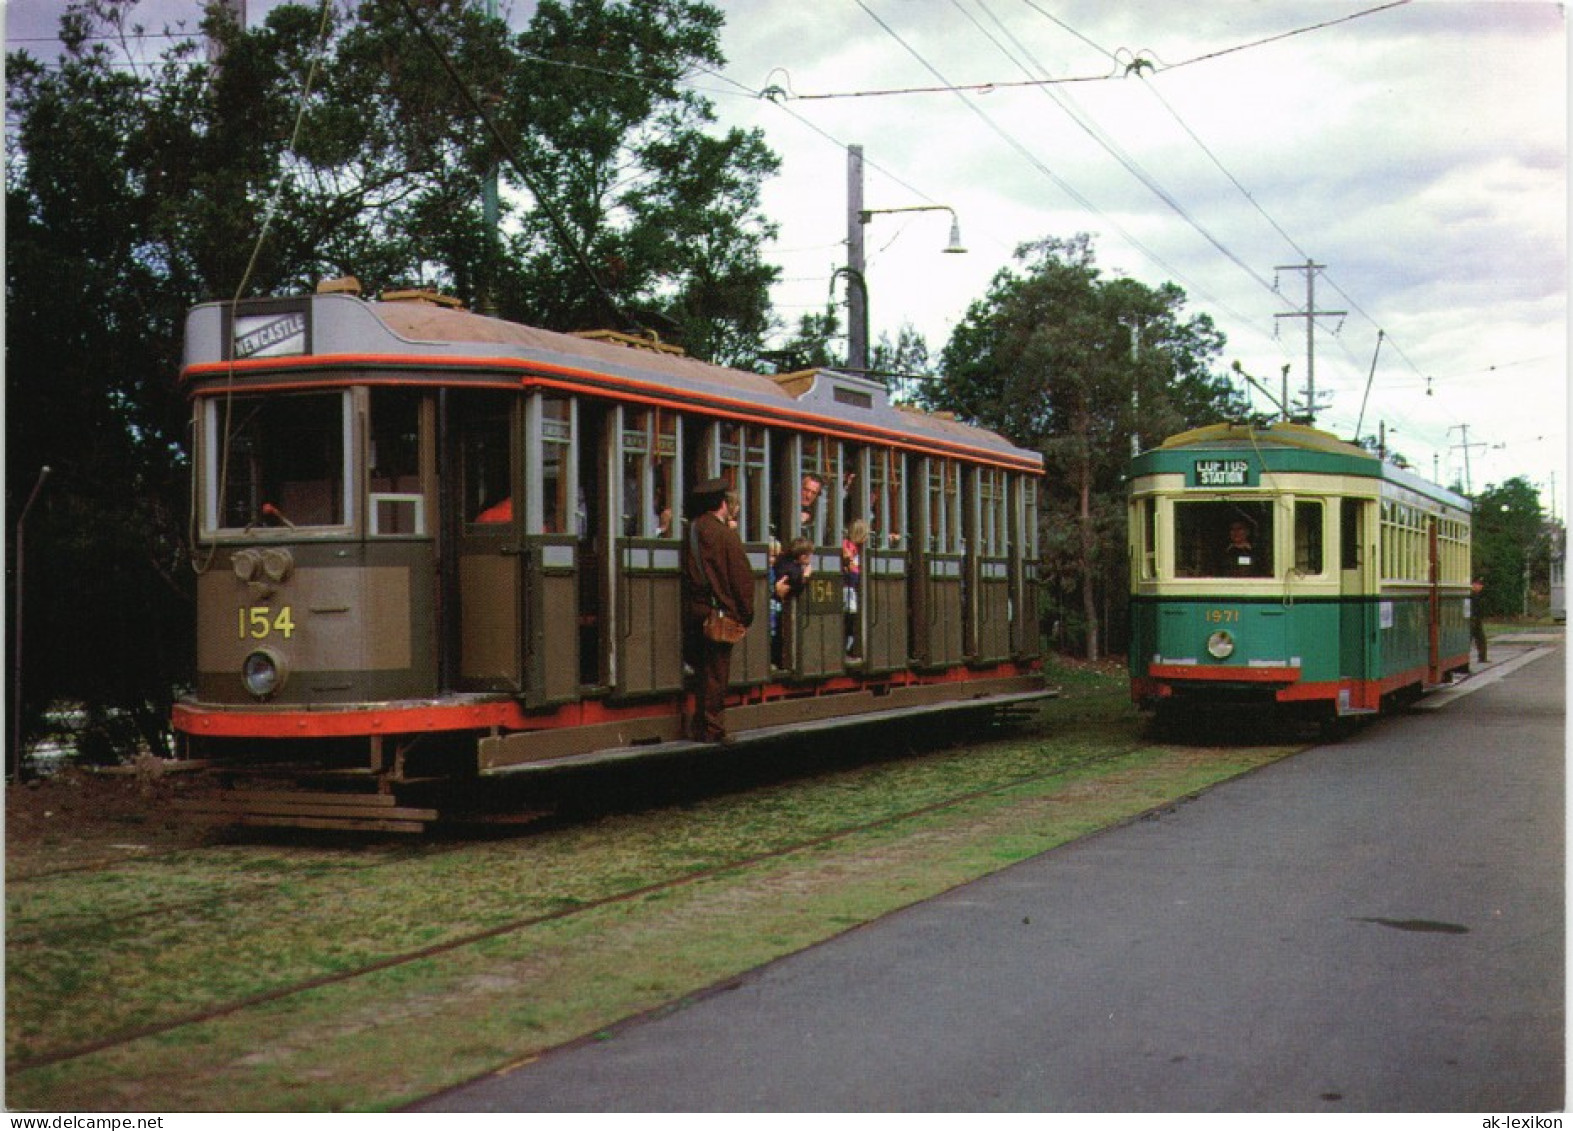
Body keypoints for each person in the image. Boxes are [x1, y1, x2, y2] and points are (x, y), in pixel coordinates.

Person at [681, 478, 755, 743]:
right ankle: (713, 730)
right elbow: (741, 578)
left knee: (702, 672)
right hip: (720, 614)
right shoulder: (725, 535)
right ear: (723, 504)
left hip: (695, 610)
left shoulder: (692, 530)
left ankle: (698, 726)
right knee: (716, 674)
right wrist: (745, 615)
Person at [770, 536, 814, 668]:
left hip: (778, 603)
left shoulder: (784, 561)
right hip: (776, 604)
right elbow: (795, 582)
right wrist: (805, 576)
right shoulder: (790, 567)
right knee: (776, 632)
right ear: (802, 556)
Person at [842, 518, 867, 657]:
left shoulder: (855, 548)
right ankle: (846, 649)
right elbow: (852, 571)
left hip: (851, 588)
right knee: (850, 619)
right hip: (848, 589)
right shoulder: (848, 547)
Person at [1470, 576, 1488, 662]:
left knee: (1481, 639)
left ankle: (1482, 657)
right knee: (1469, 640)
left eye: (1481, 584)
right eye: (1478, 584)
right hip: (1471, 621)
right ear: (1473, 584)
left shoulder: (1478, 595)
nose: (1480, 586)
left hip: (1477, 620)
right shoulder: (1470, 595)